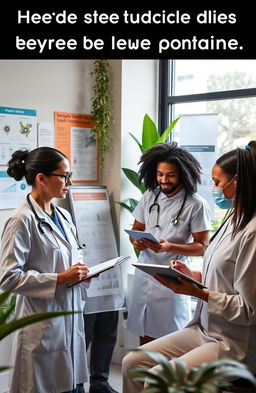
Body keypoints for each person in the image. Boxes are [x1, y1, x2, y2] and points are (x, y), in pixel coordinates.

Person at [122, 141, 256, 393]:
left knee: (158, 378)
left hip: (232, 340)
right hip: (205, 326)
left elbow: (249, 309)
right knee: (132, 362)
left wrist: (196, 291)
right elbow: (220, 274)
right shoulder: (232, 220)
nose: (213, 189)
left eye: (217, 183)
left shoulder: (251, 232)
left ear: (237, 183)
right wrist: (192, 275)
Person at [0, 147, 90, 393]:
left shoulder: (63, 215)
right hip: (40, 321)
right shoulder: (21, 220)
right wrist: (60, 278)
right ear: (41, 178)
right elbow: (8, 278)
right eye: (64, 176)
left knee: (72, 384)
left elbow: (73, 254)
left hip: (69, 314)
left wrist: (84, 272)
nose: (69, 183)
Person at [127, 142, 211, 344]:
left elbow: (202, 247)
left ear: (183, 173)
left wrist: (170, 247)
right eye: (160, 174)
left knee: (170, 340)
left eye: (170, 175)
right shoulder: (149, 196)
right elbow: (136, 229)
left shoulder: (196, 204)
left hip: (173, 276)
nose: (164, 180)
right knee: (144, 335)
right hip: (145, 273)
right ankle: (145, 376)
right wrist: (136, 241)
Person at [84, 311, 119, 393]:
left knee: (107, 335)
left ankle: (99, 384)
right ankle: (76, 386)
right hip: (84, 300)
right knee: (81, 338)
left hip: (110, 300)